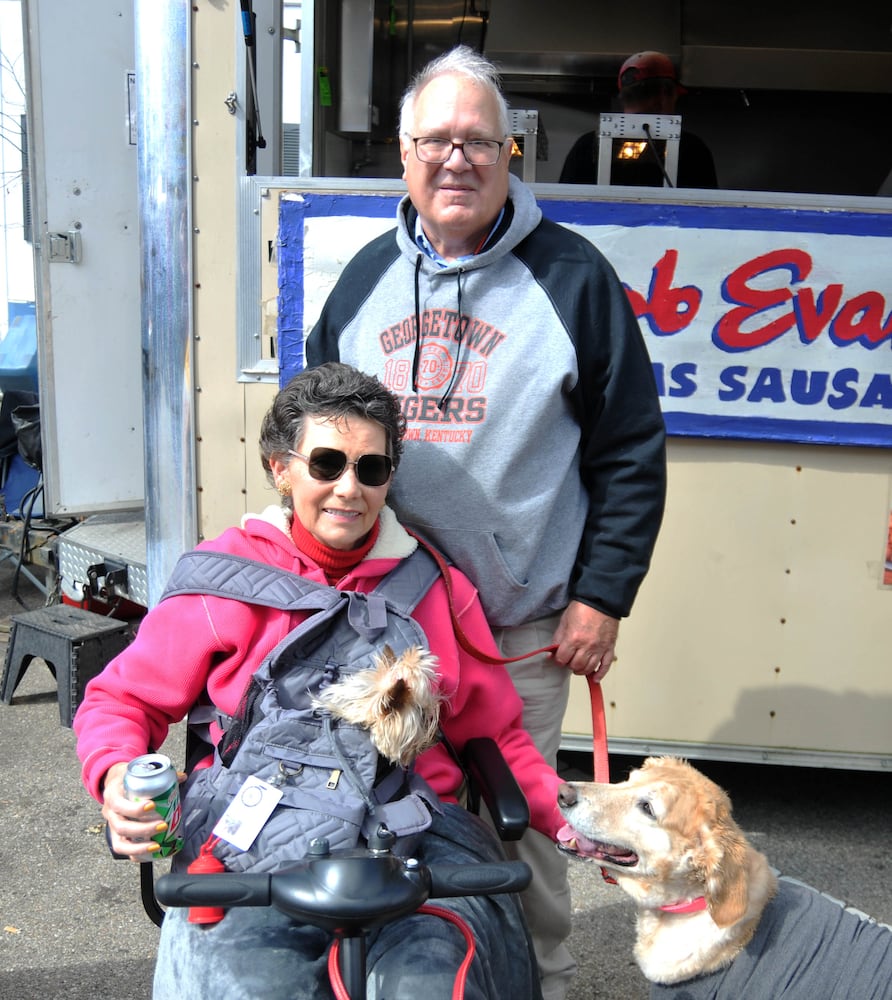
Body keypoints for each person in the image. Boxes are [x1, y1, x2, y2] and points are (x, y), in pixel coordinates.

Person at [305, 46, 667, 1000]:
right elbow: (315, 443)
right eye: (435, 140)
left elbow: (629, 451)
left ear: (510, 153)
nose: (455, 159)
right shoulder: (362, 281)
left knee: (526, 829)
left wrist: (601, 596)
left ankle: (539, 982)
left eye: (478, 140)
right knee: (381, 820)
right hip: (380, 636)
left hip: (520, 632)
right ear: (403, 152)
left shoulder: (576, 279)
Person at [74, 362, 566, 1000]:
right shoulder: (219, 582)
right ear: (281, 468)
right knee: (247, 987)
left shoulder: (438, 588)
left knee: (436, 986)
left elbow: (496, 735)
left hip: (413, 832)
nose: (348, 489)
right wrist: (116, 773)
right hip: (254, 826)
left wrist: (578, 822)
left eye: (371, 468)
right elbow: (121, 699)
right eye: (326, 463)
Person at [560, 50, 718, 189]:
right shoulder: (692, 149)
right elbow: (708, 212)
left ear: (624, 96)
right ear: (665, 95)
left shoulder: (587, 145)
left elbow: (562, 209)